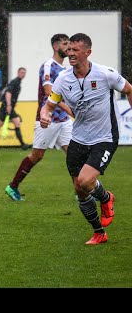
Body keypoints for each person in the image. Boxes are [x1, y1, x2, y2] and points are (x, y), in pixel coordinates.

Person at [40, 33, 132, 245]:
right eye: (69, 50)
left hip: (105, 137)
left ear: (87, 52)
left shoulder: (105, 74)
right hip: (79, 138)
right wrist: (45, 115)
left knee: (85, 181)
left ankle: (106, 198)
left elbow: (128, 89)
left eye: (75, 50)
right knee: (79, 190)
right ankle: (99, 232)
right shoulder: (63, 78)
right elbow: (50, 105)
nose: (70, 54)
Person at [5, 34, 72, 201]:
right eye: (65, 44)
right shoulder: (48, 66)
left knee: (74, 154)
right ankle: (12, 186)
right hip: (47, 118)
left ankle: (82, 191)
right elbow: (49, 92)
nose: (68, 47)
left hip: (63, 120)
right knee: (37, 156)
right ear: (56, 46)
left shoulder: (66, 68)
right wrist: (69, 109)